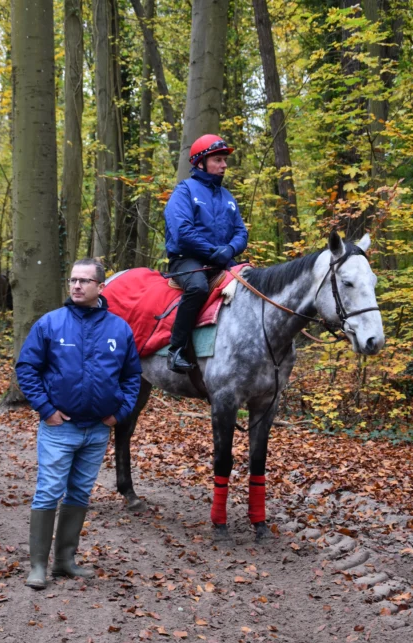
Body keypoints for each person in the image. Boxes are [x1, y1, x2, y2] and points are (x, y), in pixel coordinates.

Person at [16, 258, 142, 590]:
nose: (76, 286)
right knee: (48, 491)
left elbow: (132, 377)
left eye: (85, 281)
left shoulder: (119, 329)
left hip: (98, 429)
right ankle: (38, 566)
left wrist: (121, 411)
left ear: (101, 287)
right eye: (73, 279)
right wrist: (46, 409)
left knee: (80, 493)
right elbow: (26, 369)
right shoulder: (50, 324)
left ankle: (65, 561)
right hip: (59, 428)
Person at [164, 134, 249, 373]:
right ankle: (176, 350)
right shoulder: (184, 192)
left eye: (224, 161)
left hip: (223, 259)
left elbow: (241, 233)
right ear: (200, 162)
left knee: (251, 284)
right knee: (198, 288)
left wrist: (231, 249)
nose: (224, 165)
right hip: (187, 261)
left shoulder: (227, 197)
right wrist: (213, 252)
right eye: (218, 160)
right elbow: (182, 232)